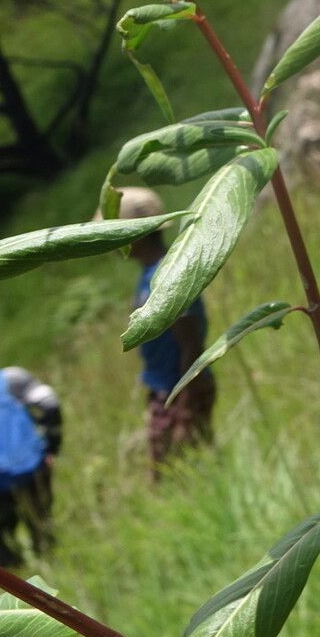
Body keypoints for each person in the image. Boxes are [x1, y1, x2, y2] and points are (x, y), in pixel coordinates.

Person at [114, 187, 215, 470]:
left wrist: (184, 411)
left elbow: (191, 344)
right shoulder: (151, 274)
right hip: (167, 387)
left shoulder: (167, 275)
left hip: (178, 390)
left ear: (136, 234)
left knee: (177, 473)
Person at [0, 340, 62, 568]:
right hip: (32, 467)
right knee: (41, 522)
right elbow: (50, 404)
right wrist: (51, 449)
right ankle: (51, 564)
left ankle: (13, 573)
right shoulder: (14, 378)